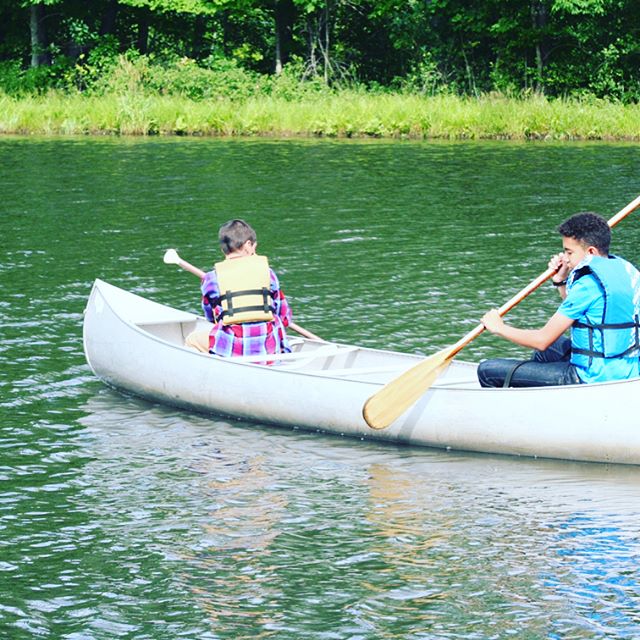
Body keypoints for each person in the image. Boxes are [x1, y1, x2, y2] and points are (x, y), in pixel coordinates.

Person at [477, 211, 640, 387]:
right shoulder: (628, 272)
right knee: (547, 352)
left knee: (487, 370)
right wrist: (560, 281)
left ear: (591, 252)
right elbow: (586, 314)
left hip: (592, 376)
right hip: (628, 370)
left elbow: (541, 340)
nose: (566, 259)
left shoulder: (587, 285)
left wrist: (499, 327)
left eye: (569, 252)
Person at [185, 219, 292, 358]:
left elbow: (211, 317)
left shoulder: (211, 278)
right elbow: (284, 317)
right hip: (270, 349)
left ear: (222, 249)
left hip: (231, 351)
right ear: (248, 245)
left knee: (191, 340)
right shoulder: (268, 273)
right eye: (254, 247)